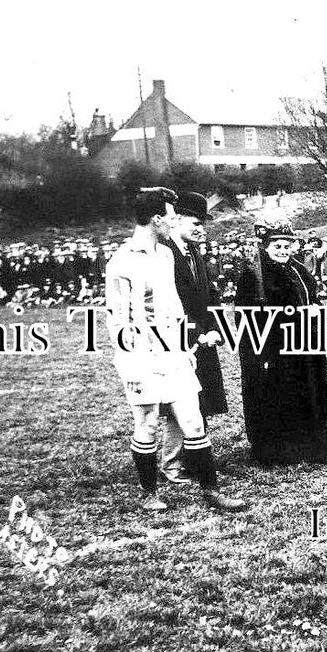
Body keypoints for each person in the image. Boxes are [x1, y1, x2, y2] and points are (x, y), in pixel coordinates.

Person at [104, 188, 246, 513]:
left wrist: (188, 342)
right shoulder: (121, 262)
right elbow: (117, 321)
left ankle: (212, 491)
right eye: (170, 215)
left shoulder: (166, 255)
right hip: (141, 357)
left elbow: (175, 307)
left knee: (194, 420)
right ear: (156, 219)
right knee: (148, 424)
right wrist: (131, 366)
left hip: (174, 354)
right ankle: (149, 493)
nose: (173, 221)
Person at [236, 220, 327, 466]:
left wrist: (313, 308)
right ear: (267, 246)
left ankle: (313, 446)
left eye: (287, 245)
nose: (283, 250)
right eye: (277, 246)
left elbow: (310, 297)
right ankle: (282, 452)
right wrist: (299, 314)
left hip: (304, 344)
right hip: (275, 348)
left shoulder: (299, 269)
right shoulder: (254, 274)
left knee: (309, 391)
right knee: (281, 396)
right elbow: (253, 315)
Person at [158, 192, 228, 486]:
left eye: (204, 224)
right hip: (175, 340)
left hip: (201, 340)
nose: (202, 229)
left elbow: (207, 297)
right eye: (196, 222)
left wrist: (216, 329)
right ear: (177, 221)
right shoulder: (164, 254)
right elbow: (166, 304)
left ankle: (195, 458)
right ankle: (171, 464)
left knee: (199, 401)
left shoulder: (193, 252)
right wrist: (196, 334)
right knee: (177, 403)